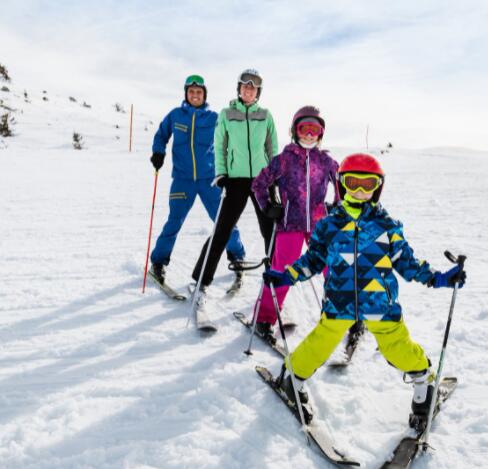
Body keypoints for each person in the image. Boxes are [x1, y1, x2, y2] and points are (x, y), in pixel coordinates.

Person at [262, 153, 467, 428]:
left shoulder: (388, 227)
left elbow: (408, 264)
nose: (359, 190)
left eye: (367, 184)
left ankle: (424, 386)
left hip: (380, 305)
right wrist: (286, 276)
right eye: (353, 183)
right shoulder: (328, 225)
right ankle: (292, 379)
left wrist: (440, 278)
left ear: (377, 188)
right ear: (343, 185)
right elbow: (312, 261)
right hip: (339, 302)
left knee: (399, 349)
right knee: (319, 345)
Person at [190, 69, 278, 304]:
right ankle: (201, 281)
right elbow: (219, 146)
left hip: (262, 181)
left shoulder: (266, 116)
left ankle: (276, 286)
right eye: (245, 86)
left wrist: (275, 176)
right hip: (236, 180)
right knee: (222, 231)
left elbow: (272, 148)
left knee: (272, 233)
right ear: (239, 89)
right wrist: (222, 174)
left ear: (258, 91)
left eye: (253, 87)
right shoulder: (227, 114)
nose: (249, 90)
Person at [250, 106, 338, 338]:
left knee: (333, 266)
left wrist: (337, 205)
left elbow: (343, 184)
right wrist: (268, 206)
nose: (309, 134)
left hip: (319, 225)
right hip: (290, 224)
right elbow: (258, 183)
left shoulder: (326, 161)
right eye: (304, 128)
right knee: (282, 269)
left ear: (321, 134)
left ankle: (340, 311)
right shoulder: (284, 160)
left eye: (315, 129)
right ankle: (265, 317)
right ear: (294, 130)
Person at [148, 74, 245, 285]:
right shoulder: (175, 115)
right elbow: (161, 135)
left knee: (224, 220)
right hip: (182, 179)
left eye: (198, 92)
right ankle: (158, 262)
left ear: (204, 95)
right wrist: (158, 152)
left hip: (210, 180)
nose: (195, 95)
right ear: (186, 94)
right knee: (174, 221)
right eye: (191, 92)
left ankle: (237, 256)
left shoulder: (214, 118)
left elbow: (230, 141)